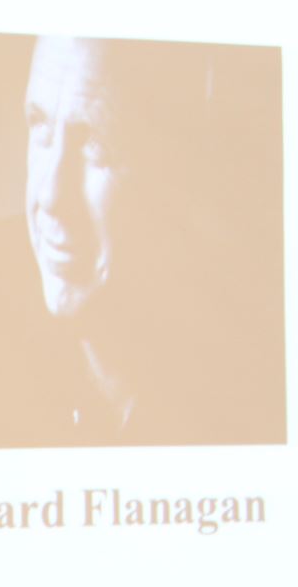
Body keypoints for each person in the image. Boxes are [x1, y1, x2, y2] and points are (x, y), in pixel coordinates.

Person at [22, 34, 219, 436]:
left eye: (96, 144)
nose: (51, 197)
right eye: (40, 127)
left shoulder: (247, 384)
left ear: (178, 172)